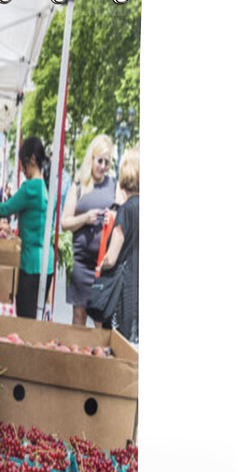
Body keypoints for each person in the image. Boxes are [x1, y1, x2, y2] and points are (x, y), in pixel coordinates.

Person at [0, 137, 53, 319]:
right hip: (46, 263)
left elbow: (5, 209)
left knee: (25, 319)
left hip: (31, 263)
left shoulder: (30, 188)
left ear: (32, 159)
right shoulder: (47, 187)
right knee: (37, 318)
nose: (22, 170)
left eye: (23, 164)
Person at [61, 134, 116, 326]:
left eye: (106, 162)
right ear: (91, 159)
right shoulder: (79, 185)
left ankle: (96, 356)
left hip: (104, 266)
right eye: (99, 160)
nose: (102, 166)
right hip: (81, 264)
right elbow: (64, 222)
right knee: (79, 316)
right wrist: (85, 218)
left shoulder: (113, 186)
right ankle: (77, 355)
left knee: (100, 320)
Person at [98, 147, 139, 343]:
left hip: (124, 294)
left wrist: (101, 265)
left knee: (120, 350)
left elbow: (111, 257)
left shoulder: (126, 210)